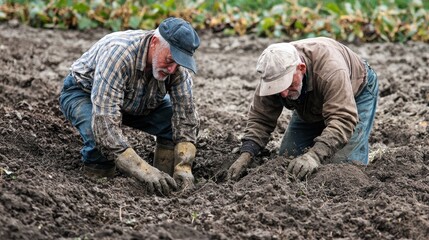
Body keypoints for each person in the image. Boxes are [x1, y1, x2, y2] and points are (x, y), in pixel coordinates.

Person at [59, 17, 201, 195]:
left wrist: (184, 167)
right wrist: (143, 170)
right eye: (170, 60)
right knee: (99, 141)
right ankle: (97, 186)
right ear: (155, 43)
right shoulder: (119, 54)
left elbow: (186, 117)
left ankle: (165, 183)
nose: (172, 69)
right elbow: (104, 123)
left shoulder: (176, 67)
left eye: (178, 63)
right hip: (85, 94)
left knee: (173, 124)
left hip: (138, 101)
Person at [227, 37, 379, 180]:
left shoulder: (331, 71)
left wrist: (315, 155)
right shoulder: (273, 73)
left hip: (355, 93)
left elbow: (343, 118)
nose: (284, 94)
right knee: (288, 157)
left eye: (287, 84)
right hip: (307, 100)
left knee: (343, 170)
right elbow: (261, 118)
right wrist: (247, 154)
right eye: (278, 88)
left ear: (301, 68)